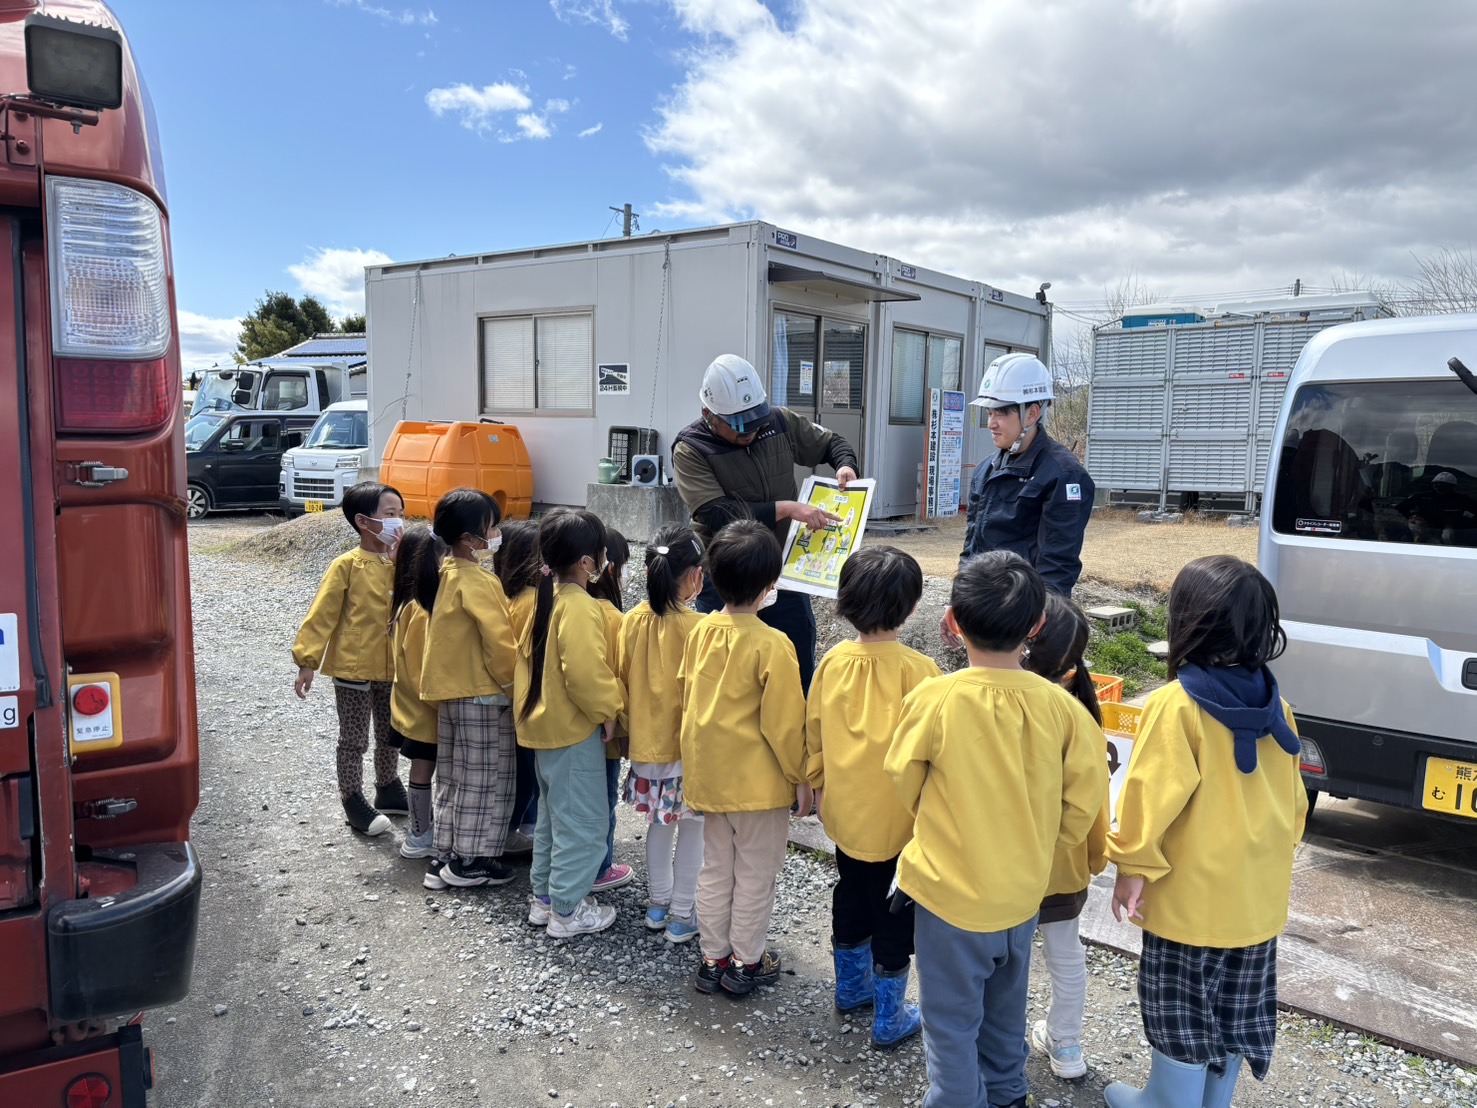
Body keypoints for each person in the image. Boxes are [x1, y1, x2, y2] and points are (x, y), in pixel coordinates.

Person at [886, 551, 1105, 1108]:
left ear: (953, 621)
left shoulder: (934, 698)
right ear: (1037, 625)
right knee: (1006, 1013)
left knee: (950, 1025)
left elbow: (902, 780)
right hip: (1021, 896)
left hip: (948, 897)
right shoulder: (1066, 711)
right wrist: (1039, 845)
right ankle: (1008, 1094)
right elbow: (1082, 805)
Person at [1105, 555, 1307, 1108]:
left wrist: (1132, 869)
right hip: (1256, 905)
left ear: (1186, 621)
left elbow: (1149, 800)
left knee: (1180, 1012)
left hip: (1188, 906)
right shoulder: (1279, 706)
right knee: (1235, 1011)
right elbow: (1294, 807)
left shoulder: (1176, 706)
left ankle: (1164, 1102)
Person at [803, 546, 939, 1048]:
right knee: (894, 914)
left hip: (844, 812)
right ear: (911, 607)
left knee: (851, 893)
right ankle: (889, 1017)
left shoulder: (833, 662)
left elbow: (813, 731)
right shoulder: (921, 671)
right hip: (901, 822)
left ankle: (850, 988)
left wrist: (816, 784)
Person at [673, 353, 859, 692]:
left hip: (781, 571)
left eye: (756, 421)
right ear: (709, 415)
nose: (751, 431)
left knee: (795, 659)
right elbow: (716, 513)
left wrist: (845, 464)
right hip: (725, 577)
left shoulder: (779, 421)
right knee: (726, 675)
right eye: (739, 425)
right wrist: (786, 509)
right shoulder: (691, 448)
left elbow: (831, 443)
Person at [680, 520, 807, 997]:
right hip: (759, 786)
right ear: (771, 583)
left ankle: (712, 958)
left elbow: (689, 701)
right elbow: (784, 725)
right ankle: (746, 962)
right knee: (755, 875)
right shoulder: (773, 644)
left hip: (711, 779)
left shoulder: (701, 632)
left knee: (715, 869)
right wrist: (801, 776)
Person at [516, 508, 626, 939]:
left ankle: (545, 898)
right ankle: (567, 910)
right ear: (586, 562)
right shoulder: (580, 606)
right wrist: (610, 709)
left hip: (544, 730)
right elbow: (585, 673)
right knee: (584, 823)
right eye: (601, 553)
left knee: (553, 821)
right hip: (573, 732)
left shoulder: (545, 599)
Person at [1019, 592, 1112, 1081]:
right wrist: (1092, 858)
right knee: (1066, 955)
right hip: (1063, 866)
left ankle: (1000, 1037)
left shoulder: (999, 707)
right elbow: (1095, 809)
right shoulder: (1083, 720)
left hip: (1003, 866)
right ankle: (1067, 1044)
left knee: (1005, 959)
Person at [292, 481, 407, 836]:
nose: (398, 522)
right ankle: (352, 798)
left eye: (401, 514)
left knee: (391, 733)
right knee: (354, 738)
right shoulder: (346, 565)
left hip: (393, 666)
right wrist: (307, 661)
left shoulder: (402, 564)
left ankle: (387, 786)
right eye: (390, 514)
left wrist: (401, 563)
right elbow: (322, 614)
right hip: (353, 667)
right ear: (363, 521)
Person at [420, 489, 520, 889]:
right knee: (487, 778)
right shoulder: (479, 579)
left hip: (453, 693)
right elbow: (499, 641)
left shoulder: (445, 572)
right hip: (485, 693)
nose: (496, 534)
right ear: (468, 539)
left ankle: (445, 855)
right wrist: (514, 685)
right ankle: (471, 861)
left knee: (454, 776)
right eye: (490, 527)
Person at [618, 524, 708, 944]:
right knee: (693, 829)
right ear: (695, 576)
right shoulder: (698, 627)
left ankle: (658, 904)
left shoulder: (631, 621)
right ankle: (682, 913)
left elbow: (621, 677)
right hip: (686, 749)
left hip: (645, 746)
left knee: (659, 823)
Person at [956, 352, 1094, 596]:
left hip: (1025, 607)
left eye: (1001, 413)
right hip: (982, 604)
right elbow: (971, 549)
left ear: (1031, 414)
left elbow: (1058, 565)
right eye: (989, 413)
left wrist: (1041, 616)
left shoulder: (1064, 476)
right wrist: (958, 601)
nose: (991, 423)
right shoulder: (986, 469)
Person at [388, 525, 447, 884]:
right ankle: (420, 834)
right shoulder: (423, 611)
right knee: (424, 772)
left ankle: (420, 830)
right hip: (426, 711)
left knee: (420, 771)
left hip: (409, 708)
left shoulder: (403, 603)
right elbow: (424, 667)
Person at [586, 528, 638, 894]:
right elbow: (621, 678)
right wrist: (626, 728)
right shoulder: (615, 618)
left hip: (574, 727)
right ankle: (600, 867)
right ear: (611, 567)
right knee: (602, 800)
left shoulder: (565, 605)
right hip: (606, 729)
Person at [493, 519, 543, 854]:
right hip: (527, 700)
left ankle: (521, 826)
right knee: (527, 774)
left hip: (507, 699)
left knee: (514, 770)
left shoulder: (503, 596)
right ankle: (518, 830)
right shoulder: (533, 601)